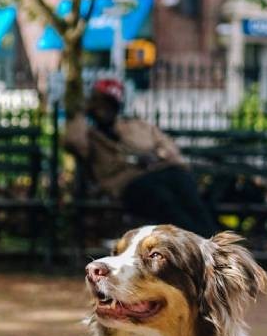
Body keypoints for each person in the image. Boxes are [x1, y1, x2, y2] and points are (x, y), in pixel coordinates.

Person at [64, 78, 216, 237]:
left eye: (109, 103)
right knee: (162, 199)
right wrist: (81, 113)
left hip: (160, 170)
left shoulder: (135, 126)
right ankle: (198, 242)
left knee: (185, 186)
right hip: (129, 184)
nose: (104, 109)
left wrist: (157, 156)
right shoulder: (89, 136)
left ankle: (209, 240)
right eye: (99, 102)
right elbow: (72, 142)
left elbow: (167, 146)